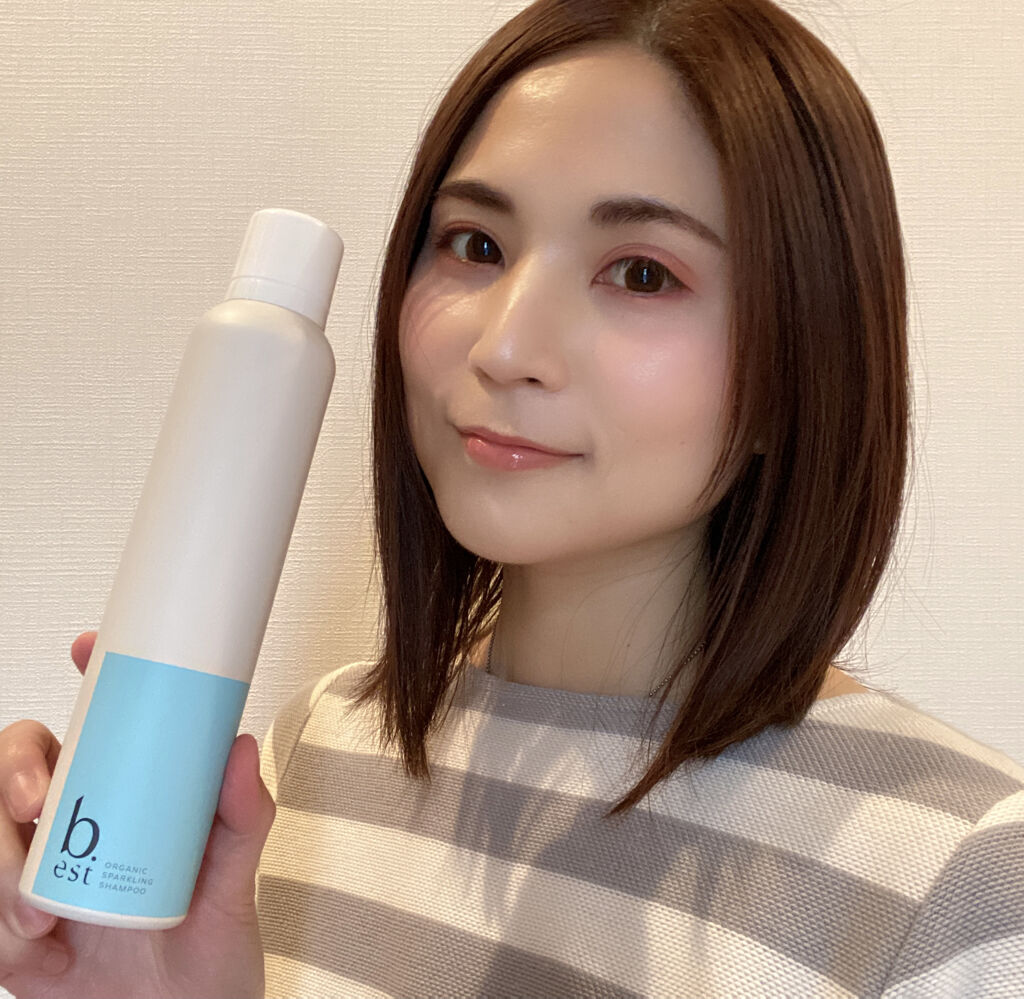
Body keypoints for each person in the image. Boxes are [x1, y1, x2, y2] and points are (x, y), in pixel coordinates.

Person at [2, 0, 1022, 996]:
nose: (503, 347)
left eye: (641, 273)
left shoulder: (964, 879)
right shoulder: (323, 746)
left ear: (802, 357)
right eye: (476, 245)